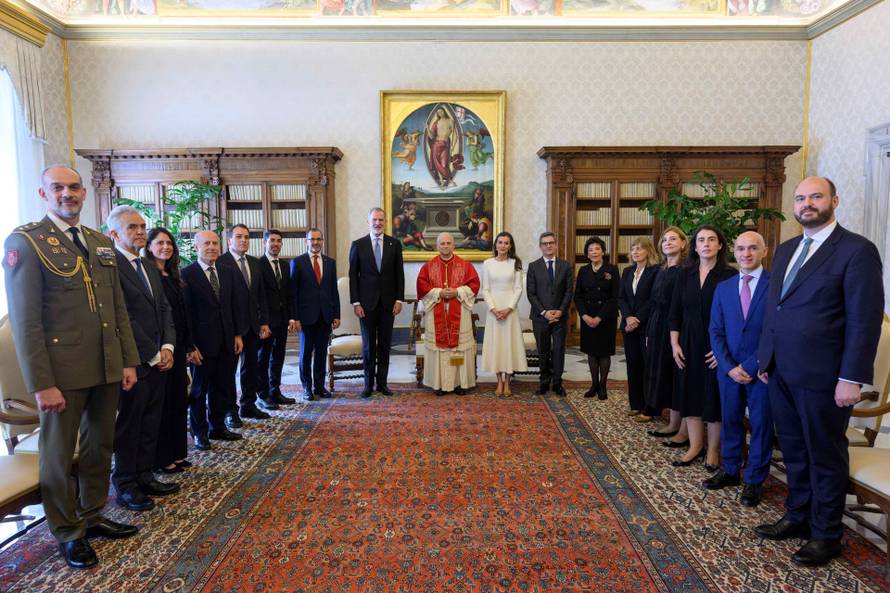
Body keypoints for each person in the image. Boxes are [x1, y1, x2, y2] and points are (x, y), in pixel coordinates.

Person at [3, 165, 140, 569]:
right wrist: (42, 384)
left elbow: (118, 310)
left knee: (99, 447)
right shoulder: (27, 243)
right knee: (58, 457)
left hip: (106, 366)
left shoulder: (99, 242)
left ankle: (93, 513)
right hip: (61, 375)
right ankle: (67, 532)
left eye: (74, 187)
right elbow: (26, 321)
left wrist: (128, 359)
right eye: (58, 188)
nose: (68, 194)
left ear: (84, 193)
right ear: (43, 194)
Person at [755, 176, 883, 567]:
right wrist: (765, 359)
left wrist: (852, 378)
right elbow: (773, 308)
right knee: (793, 448)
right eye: (801, 198)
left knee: (824, 453)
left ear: (834, 201)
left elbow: (865, 320)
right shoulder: (788, 248)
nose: (807, 203)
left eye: (815, 196)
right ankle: (797, 516)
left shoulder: (856, 250)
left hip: (825, 377)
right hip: (779, 371)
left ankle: (826, 534)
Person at [107, 206, 179, 512]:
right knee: (131, 425)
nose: (139, 231)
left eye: (142, 226)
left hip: (159, 357)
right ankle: (125, 483)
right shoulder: (109, 268)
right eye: (132, 227)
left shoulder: (148, 267)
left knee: (152, 420)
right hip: (133, 362)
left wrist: (168, 347)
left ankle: (145, 474)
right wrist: (152, 352)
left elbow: (164, 308)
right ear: (114, 234)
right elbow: (121, 316)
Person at [706, 231, 772, 507]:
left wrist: (750, 364)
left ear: (764, 251)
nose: (746, 254)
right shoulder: (724, 287)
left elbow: (776, 331)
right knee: (730, 420)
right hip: (729, 371)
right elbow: (715, 330)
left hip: (763, 371)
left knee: (760, 425)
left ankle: (754, 480)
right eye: (741, 248)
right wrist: (729, 366)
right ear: (733, 251)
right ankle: (731, 469)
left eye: (753, 248)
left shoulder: (776, 285)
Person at [669, 226, 736, 468]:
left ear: (720, 245)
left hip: (715, 346)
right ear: (695, 247)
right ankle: (695, 446)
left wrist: (724, 352)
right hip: (687, 343)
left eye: (711, 240)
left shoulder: (730, 276)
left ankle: (713, 451)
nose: (706, 244)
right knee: (690, 393)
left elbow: (735, 317)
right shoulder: (683, 274)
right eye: (701, 240)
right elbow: (675, 310)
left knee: (713, 397)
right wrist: (674, 343)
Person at [181, 231, 245, 449]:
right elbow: (185, 314)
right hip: (201, 346)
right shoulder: (187, 274)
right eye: (206, 243)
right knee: (199, 391)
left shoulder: (227, 272)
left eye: (215, 243)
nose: (211, 247)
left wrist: (237, 334)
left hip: (227, 341)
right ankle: (199, 433)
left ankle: (216, 427)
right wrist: (190, 346)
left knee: (222, 387)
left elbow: (234, 306)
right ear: (197, 247)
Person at [145, 227, 194, 476]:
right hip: (160, 351)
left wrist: (186, 346)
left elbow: (182, 315)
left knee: (177, 402)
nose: (165, 247)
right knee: (162, 408)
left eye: (169, 243)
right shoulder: (148, 274)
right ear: (149, 246)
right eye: (160, 243)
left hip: (177, 346)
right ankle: (162, 458)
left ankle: (177, 453)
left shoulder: (174, 275)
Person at [349, 207, 405, 398]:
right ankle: (367, 385)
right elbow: (353, 276)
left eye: (381, 220)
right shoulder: (358, 244)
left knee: (385, 345)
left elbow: (399, 274)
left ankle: (383, 383)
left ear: (385, 222)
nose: (378, 223)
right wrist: (356, 302)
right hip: (366, 305)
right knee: (368, 346)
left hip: (388, 304)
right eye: (374, 220)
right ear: (368, 222)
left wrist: (399, 299)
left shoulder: (394, 244)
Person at [218, 224, 272, 425]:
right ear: (230, 240)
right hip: (231, 329)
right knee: (228, 371)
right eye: (239, 237)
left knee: (251, 367)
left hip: (252, 326)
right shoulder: (221, 263)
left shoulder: (255, 263)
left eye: (247, 237)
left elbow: (261, 295)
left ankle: (248, 405)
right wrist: (232, 331)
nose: (243, 240)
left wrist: (264, 321)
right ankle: (230, 411)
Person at [416, 232, 480, 395]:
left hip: (459, 313)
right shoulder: (428, 266)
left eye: (448, 243)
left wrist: (457, 292)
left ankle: (459, 383)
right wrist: (438, 293)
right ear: (437, 246)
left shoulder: (465, 265)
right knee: (440, 350)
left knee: (458, 349)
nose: (445, 246)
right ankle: (440, 384)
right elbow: (422, 286)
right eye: (442, 243)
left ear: (453, 245)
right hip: (437, 311)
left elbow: (474, 285)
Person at [643, 227, 690, 442]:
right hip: (656, 326)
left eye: (673, 239)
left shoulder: (685, 270)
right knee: (660, 373)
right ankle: (672, 421)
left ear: (683, 243)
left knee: (674, 376)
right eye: (664, 240)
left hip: (674, 327)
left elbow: (680, 305)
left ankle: (679, 427)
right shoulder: (660, 270)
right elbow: (653, 302)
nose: (668, 242)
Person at [291, 228, 341, 401]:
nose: (315, 242)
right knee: (306, 354)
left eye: (319, 239)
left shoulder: (330, 262)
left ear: (322, 241)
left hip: (325, 316)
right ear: (306, 241)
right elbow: (294, 293)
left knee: (321, 353)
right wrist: (295, 317)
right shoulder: (297, 262)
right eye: (312, 239)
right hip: (305, 318)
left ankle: (319, 386)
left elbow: (333, 290)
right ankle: (307, 388)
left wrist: (336, 314)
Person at [480, 231, 527, 396]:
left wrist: (508, 309)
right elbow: (485, 289)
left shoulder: (515, 263)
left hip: (510, 311)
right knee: (497, 345)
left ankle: (508, 382)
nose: (503, 246)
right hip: (494, 311)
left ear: (510, 246)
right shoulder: (487, 263)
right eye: (500, 242)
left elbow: (518, 289)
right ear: (496, 245)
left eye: (506, 243)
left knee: (509, 345)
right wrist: (493, 309)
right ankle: (498, 381)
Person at [526, 232, 573, 396]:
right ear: (540, 246)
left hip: (560, 316)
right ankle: (544, 382)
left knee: (559, 350)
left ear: (556, 245)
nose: (548, 245)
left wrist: (560, 311)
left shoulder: (565, 266)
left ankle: (558, 383)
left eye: (551, 242)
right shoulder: (533, 266)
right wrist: (545, 312)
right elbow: (531, 294)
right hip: (540, 317)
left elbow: (568, 291)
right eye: (545, 243)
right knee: (543, 350)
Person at [618, 237, 659, 417]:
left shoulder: (655, 271)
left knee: (648, 366)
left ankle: (649, 407)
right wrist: (628, 317)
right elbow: (621, 297)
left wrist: (637, 319)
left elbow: (653, 299)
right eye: (633, 248)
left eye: (640, 249)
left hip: (646, 326)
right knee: (633, 365)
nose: (635, 252)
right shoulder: (627, 271)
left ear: (649, 251)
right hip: (628, 326)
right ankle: (636, 404)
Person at [574, 236, 620, 399]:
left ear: (603, 251)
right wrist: (584, 316)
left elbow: (615, 297)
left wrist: (599, 318)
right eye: (590, 250)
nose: (594, 252)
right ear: (587, 254)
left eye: (597, 249)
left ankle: (603, 386)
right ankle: (593, 384)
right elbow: (578, 296)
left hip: (606, 317)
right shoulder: (583, 270)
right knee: (591, 353)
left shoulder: (612, 269)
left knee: (604, 353)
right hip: (587, 316)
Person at [257, 229, 297, 407]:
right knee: (263, 358)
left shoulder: (285, 265)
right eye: (272, 240)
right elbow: (257, 297)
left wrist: (291, 318)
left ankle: (275, 390)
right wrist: (262, 321)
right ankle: (263, 394)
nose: (275, 244)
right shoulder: (257, 265)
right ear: (264, 243)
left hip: (282, 320)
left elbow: (288, 294)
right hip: (266, 322)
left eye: (278, 241)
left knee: (278, 356)